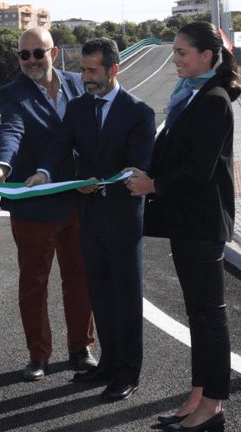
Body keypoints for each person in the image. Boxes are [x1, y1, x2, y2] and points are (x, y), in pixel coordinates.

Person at [126, 21, 241, 432]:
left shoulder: (213, 100)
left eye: (181, 52)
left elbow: (199, 171)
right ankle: (197, 398)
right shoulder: (191, 95)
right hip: (189, 222)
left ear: (207, 56)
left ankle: (212, 408)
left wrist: (153, 185)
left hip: (203, 223)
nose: (174, 59)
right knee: (198, 314)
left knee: (209, 317)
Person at [27, 38, 155, 402]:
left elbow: (137, 166)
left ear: (114, 69)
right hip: (89, 217)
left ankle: (128, 371)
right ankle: (108, 364)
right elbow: (60, 146)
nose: (85, 78)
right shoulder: (78, 108)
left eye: (92, 71)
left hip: (122, 218)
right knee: (99, 292)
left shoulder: (139, 112)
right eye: (82, 70)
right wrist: (44, 172)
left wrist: (100, 183)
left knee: (126, 297)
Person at [0, 26, 96, 381]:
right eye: (24, 54)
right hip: (33, 204)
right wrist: (2, 166)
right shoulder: (12, 93)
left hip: (77, 199)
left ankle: (81, 348)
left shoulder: (78, 83)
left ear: (55, 52)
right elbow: (11, 130)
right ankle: (38, 355)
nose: (31, 60)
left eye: (38, 53)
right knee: (34, 282)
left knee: (79, 278)